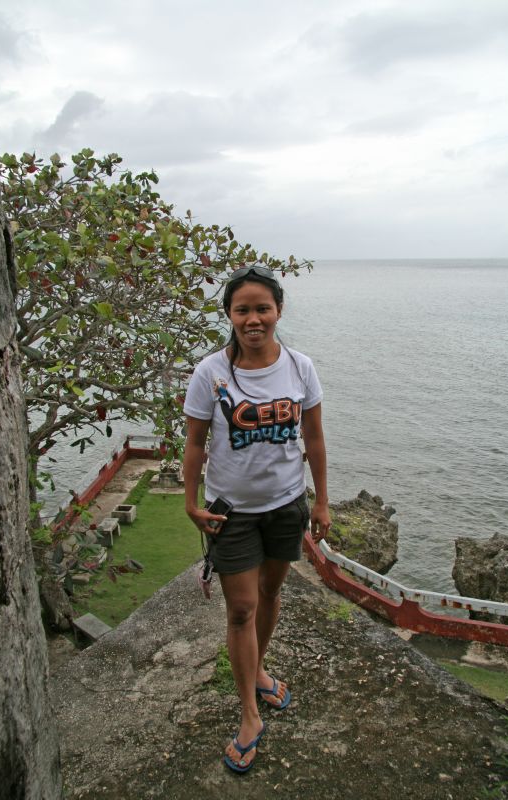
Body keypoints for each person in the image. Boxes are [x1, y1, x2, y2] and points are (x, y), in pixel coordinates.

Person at [183, 264, 330, 773]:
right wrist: (189, 500)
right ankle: (249, 712)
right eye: (242, 309)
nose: (253, 318)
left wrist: (322, 501)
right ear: (229, 314)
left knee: (271, 594)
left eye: (262, 308)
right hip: (234, 513)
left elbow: (313, 439)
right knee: (241, 609)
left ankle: (259, 669)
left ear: (278, 312)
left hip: (287, 504)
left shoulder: (300, 367)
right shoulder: (212, 372)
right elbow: (196, 443)